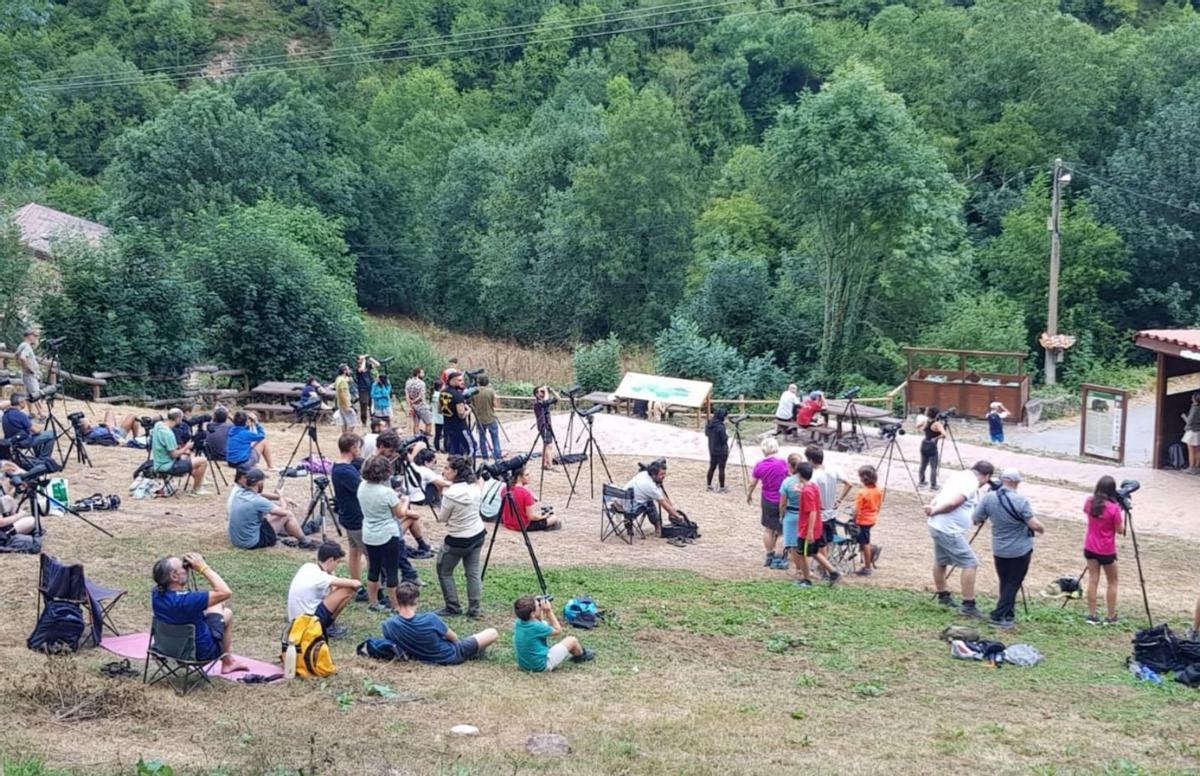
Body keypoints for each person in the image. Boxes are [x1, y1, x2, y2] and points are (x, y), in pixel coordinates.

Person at [150, 553, 248, 674]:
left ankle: (229, 661)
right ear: (174, 576)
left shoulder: (156, 593)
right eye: (184, 567)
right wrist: (203, 567)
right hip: (199, 654)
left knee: (217, 604)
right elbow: (225, 592)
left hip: (167, 650)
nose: (187, 569)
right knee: (227, 612)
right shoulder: (187, 601)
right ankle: (228, 662)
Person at [972, 468, 1043, 629]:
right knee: (1014, 582)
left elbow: (976, 518)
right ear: (1014, 482)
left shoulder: (988, 498)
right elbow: (1034, 524)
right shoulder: (1021, 501)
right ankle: (998, 616)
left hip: (999, 548)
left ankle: (1008, 615)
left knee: (1005, 581)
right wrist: (1042, 529)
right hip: (1020, 549)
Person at [924, 460, 993, 619]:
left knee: (941, 561)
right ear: (986, 476)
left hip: (938, 526)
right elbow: (954, 503)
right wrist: (934, 511)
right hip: (948, 530)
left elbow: (944, 496)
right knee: (970, 563)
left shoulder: (960, 476)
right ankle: (968, 605)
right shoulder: (970, 483)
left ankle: (943, 596)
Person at [381, 581, 498, 665]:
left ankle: (475, 651)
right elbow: (454, 638)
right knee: (492, 632)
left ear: (397, 600)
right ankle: (475, 652)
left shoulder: (388, 625)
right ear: (416, 600)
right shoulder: (430, 618)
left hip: (419, 657)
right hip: (450, 654)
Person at [358, 455, 420, 612]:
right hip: (387, 533)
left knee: (374, 569)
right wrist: (405, 500)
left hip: (369, 532)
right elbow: (400, 514)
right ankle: (395, 605)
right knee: (392, 571)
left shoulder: (362, 486)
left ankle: (373, 603)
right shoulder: (387, 493)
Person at [435, 456, 486, 618]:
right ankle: (475, 609)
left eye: (447, 468)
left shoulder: (450, 495)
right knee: (473, 572)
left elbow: (442, 518)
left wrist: (440, 493)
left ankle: (452, 606)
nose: (444, 471)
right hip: (477, 534)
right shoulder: (474, 487)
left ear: (455, 472)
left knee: (444, 571)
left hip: (457, 539)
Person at [781, 460, 840, 587]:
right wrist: (801, 491)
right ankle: (833, 572)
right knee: (813, 552)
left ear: (799, 475)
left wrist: (809, 532)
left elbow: (812, 511)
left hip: (807, 527)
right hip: (817, 525)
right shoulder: (812, 486)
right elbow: (815, 503)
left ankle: (806, 579)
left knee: (802, 554)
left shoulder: (807, 491)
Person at [286, 540, 361, 639]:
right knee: (348, 590)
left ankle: (328, 625)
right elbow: (354, 583)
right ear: (330, 560)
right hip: (308, 622)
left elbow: (331, 589)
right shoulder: (322, 577)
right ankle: (328, 627)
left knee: (339, 589)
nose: (336, 566)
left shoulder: (307, 566)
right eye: (337, 562)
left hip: (296, 619)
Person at [227, 468, 311, 550]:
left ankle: (298, 537)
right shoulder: (258, 501)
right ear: (259, 483)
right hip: (251, 543)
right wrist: (281, 497)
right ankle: (304, 542)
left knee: (270, 514)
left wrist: (279, 497)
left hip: (236, 540)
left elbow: (261, 494)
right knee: (288, 514)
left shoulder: (239, 493)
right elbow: (284, 512)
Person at [331, 433, 368, 603]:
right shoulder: (346, 471)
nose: (360, 450)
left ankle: (356, 585)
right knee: (370, 555)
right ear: (353, 448)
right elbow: (362, 490)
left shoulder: (338, 467)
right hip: (356, 518)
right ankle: (375, 590)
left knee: (355, 551)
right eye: (358, 446)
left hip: (348, 516)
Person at [513, 594, 594, 672]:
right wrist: (549, 612)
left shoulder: (519, 622)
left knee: (544, 623)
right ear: (533, 614)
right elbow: (558, 630)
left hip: (525, 665)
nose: (540, 606)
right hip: (541, 666)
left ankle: (576, 653)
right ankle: (580, 656)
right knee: (572, 640)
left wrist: (538, 608)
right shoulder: (536, 626)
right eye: (538, 606)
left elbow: (538, 621)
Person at [1083, 475, 1124, 625]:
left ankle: (1092, 615)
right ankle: (1111, 616)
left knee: (1093, 580)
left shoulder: (1089, 502)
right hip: (1106, 550)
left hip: (1090, 547)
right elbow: (1120, 530)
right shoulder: (1114, 509)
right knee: (1112, 582)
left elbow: (1088, 512)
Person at [748, 438, 789, 569]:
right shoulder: (782, 463)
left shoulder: (759, 465)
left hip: (767, 499)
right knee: (782, 531)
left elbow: (752, 483)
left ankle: (769, 554)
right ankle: (778, 558)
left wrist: (749, 494)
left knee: (768, 528)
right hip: (781, 498)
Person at [806, 446, 851, 562]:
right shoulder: (833, 469)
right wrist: (840, 500)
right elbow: (848, 484)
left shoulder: (814, 477)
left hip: (821, 514)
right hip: (832, 512)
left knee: (821, 544)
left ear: (810, 460)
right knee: (829, 540)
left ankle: (826, 568)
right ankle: (829, 562)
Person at [151, 409, 210, 495]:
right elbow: (174, 455)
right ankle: (196, 489)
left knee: (190, 456)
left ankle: (200, 480)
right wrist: (186, 447)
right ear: (178, 418)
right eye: (182, 418)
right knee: (203, 461)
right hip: (168, 466)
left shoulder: (158, 425)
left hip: (158, 463)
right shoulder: (168, 434)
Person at [622, 458, 684, 535]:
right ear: (654, 475)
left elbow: (662, 495)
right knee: (649, 503)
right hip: (630, 509)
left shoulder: (643, 474)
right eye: (661, 474)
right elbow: (663, 503)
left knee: (644, 498)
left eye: (664, 474)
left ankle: (628, 524)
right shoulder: (650, 487)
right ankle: (657, 526)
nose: (663, 476)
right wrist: (677, 516)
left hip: (620, 504)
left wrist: (673, 510)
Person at [500, 463, 561, 531]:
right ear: (519, 477)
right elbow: (531, 517)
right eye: (526, 475)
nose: (529, 477)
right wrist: (542, 517)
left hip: (507, 522)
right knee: (554, 518)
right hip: (522, 525)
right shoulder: (525, 493)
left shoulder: (505, 489)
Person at [2, 392, 56, 459]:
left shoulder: (5, 414)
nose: (26, 403)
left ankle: (38, 456)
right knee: (51, 434)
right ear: (20, 402)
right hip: (23, 442)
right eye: (25, 401)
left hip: (11, 440)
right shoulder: (20, 415)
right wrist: (40, 429)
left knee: (33, 434)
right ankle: (44, 458)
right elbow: (36, 431)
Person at [852, 465, 882, 575]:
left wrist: (854, 519)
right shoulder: (878, 490)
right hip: (872, 519)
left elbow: (857, 510)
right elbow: (878, 504)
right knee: (864, 539)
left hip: (863, 521)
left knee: (864, 542)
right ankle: (870, 552)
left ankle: (867, 566)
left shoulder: (862, 493)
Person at [439, 371, 473, 456]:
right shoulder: (458, 395)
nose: (462, 382)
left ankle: (455, 466)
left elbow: (439, 410)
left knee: (454, 449)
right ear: (452, 381)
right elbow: (461, 414)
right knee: (471, 448)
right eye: (459, 380)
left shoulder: (442, 392)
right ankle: (467, 467)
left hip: (448, 426)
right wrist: (469, 410)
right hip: (460, 427)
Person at [469, 375, 502, 461]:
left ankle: (485, 457)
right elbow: (495, 405)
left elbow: (471, 405)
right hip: (490, 418)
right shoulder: (491, 391)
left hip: (479, 419)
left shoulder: (474, 392)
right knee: (495, 438)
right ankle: (498, 456)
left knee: (482, 439)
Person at [15, 329, 44, 419]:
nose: (36, 338)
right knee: (36, 393)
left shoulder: (21, 345)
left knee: (29, 395)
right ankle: (41, 414)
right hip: (30, 375)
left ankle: (31, 413)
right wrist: (30, 369)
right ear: (29, 336)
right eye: (34, 336)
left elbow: (16, 356)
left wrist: (23, 367)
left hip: (26, 375)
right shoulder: (26, 346)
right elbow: (23, 358)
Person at [916, 406, 945, 490]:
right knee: (933, 466)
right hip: (932, 445)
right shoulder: (937, 424)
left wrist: (923, 429)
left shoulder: (925, 421)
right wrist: (936, 438)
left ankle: (921, 481)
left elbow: (917, 426)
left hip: (924, 443)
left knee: (923, 464)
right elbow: (944, 434)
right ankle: (933, 485)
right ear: (936, 415)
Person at [532, 385, 559, 469]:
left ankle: (544, 464)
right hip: (543, 425)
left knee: (546, 445)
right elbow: (546, 401)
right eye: (541, 391)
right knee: (549, 445)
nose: (543, 393)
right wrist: (546, 391)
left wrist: (552, 390)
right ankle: (549, 465)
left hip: (547, 424)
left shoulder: (543, 401)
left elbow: (558, 398)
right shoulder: (537, 403)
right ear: (536, 394)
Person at [705, 408, 729, 493]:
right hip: (722, 450)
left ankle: (709, 485)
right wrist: (727, 434)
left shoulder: (709, 424)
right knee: (721, 468)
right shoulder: (721, 427)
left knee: (712, 467)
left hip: (712, 449)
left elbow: (706, 434)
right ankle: (722, 487)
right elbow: (724, 439)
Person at [405, 367, 432, 437]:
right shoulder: (422, 383)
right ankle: (427, 438)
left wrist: (410, 404)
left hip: (413, 406)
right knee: (428, 423)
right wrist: (414, 401)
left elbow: (407, 394)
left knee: (416, 424)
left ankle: (415, 439)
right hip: (421, 405)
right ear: (418, 374)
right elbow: (421, 396)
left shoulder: (408, 382)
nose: (423, 374)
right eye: (422, 373)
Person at [356, 355, 380, 424]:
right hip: (362, 389)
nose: (362, 359)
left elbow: (377, 364)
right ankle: (364, 421)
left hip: (370, 387)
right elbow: (362, 370)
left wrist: (370, 358)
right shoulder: (357, 367)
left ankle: (373, 420)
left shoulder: (368, 366)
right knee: (364, 404)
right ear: (358, 360)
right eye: (361, 359)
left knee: (372, 404)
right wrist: (364, 360)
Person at [334, 364, 357, 432]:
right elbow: (342, 393)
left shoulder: (338, 379)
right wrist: (347, 406)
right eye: (348, 369)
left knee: (344, 422)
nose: (349, 371)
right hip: (345, 404)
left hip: (340, 404)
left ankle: (344, 438)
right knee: (352, 423)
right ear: (344, 371)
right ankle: (347, 438)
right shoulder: (343, 381)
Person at [1184, 393, 1200, 474]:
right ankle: (1197, 467)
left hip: (1192, 431)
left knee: (1191, 450)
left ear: (1194, 399)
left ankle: (1191, 467)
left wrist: (1184, 417)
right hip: (1199, 430)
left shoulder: (1194, 408)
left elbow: (1189, 421)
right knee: (1198, 450)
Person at [431, 380, 445, 452]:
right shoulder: (441, 396)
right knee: (445, 434)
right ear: (440, 387)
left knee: (437, 434)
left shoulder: (433, 395)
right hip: (442, 417)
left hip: (436, 417)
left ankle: (437, 448)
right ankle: (445, 448)